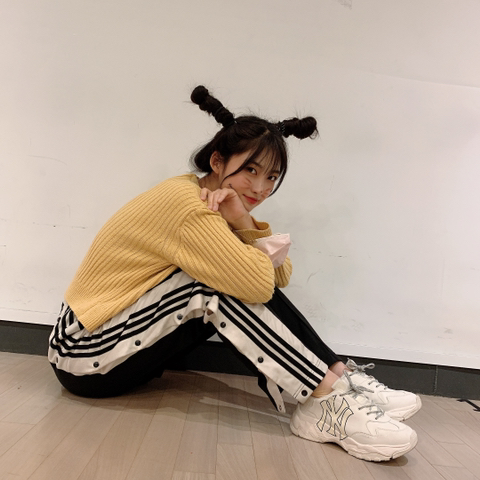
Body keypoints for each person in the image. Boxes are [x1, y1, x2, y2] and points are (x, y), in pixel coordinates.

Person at [48, 85, 421, 462]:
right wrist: (243, 226)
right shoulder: (189, 206)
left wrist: (242, 221)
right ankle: (324, 397)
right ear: (217, 161)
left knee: (230, 277)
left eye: (271, 176)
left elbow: (281, 274)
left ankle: (337, 377)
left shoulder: (214, 199)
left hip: (114, 339)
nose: (260, 187)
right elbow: (260, 283)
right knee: (214, 287)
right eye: (250, 170)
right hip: (81, 350)